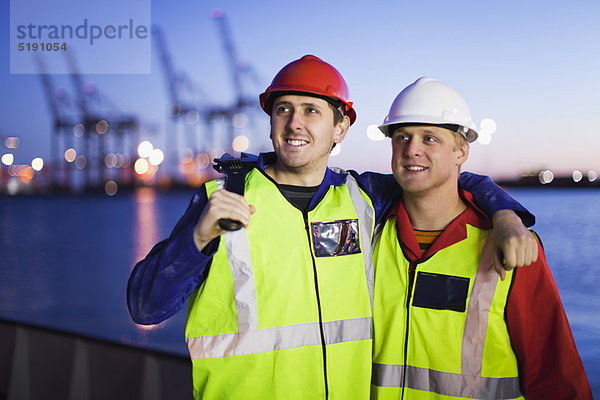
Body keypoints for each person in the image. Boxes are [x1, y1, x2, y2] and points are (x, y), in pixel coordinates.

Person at [127, 56, 537, 400]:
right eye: (283, 109)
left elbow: (440, 176)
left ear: (340, 128)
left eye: (311, 111)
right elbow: (146, 307)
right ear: (270, 121)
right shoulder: (221, 197)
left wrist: (505, 215)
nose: (294, 123)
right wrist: (199, 237)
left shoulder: (363, 198)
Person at [370, 77, 592, 399]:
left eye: (429, 139)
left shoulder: (510, 247)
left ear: (461, 152)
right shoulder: (368, 235)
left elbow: (555, 374)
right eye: (402, 137)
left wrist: (504, 214)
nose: (411, 150)